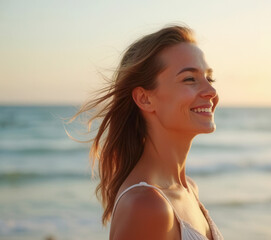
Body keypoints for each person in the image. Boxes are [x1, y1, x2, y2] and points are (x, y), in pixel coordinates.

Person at [71, 25, 223, 240]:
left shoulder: (188, 188)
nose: (211, 91)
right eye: (190, 79)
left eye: (210, 78)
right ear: (145, 98)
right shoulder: (145, 206)